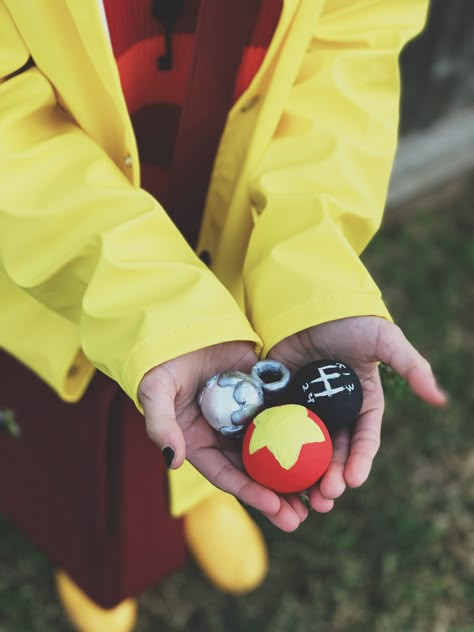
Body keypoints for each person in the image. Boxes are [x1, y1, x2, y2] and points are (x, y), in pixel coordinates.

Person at [0, 1, 447, 630]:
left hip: (227, 215)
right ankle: (95, 562)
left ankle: (197, 499)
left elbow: (348, 50)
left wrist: (308, 279)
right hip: (47, 263)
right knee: (75, 440)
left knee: (201, 413)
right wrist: (150, 306)